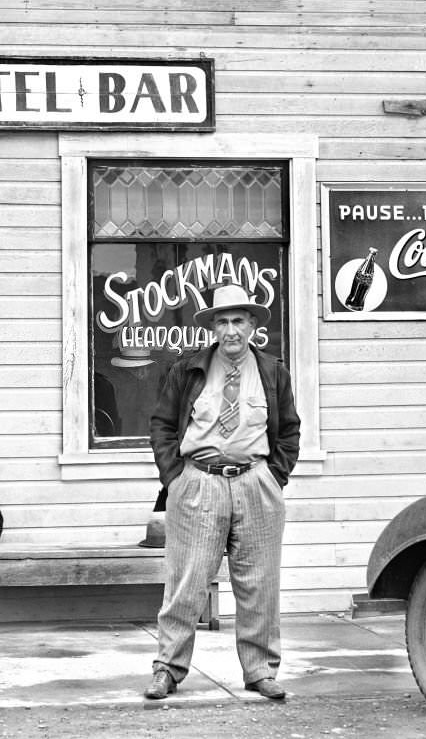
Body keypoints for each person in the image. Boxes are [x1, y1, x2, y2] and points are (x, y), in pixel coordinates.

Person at [145, 284, 301, 701]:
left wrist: (274, 476)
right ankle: (168, 669)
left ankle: (260, 670)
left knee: (260, 583)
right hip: (198, 481)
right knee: (187, 579)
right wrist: (174, 477)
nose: (231, 330)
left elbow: (288, 430)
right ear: (213, 327)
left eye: (238, 321)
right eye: (222, 321)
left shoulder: (272, 372)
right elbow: (161, 425)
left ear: (251, 325)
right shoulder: (187, 370)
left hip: (255, 482)